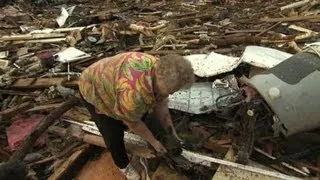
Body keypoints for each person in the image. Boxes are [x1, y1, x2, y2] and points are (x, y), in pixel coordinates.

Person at [78, 52, 194, 180]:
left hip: (115, 80)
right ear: (159, 79)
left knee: (141, 112)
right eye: (169, 91)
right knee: (113, 133)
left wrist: (172, 134)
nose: (170, 94)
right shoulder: (133, 94)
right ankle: (123, 165)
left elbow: (162, 107)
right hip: (94, 87)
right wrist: (154, 142)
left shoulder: (162, 68)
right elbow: (133, 123)